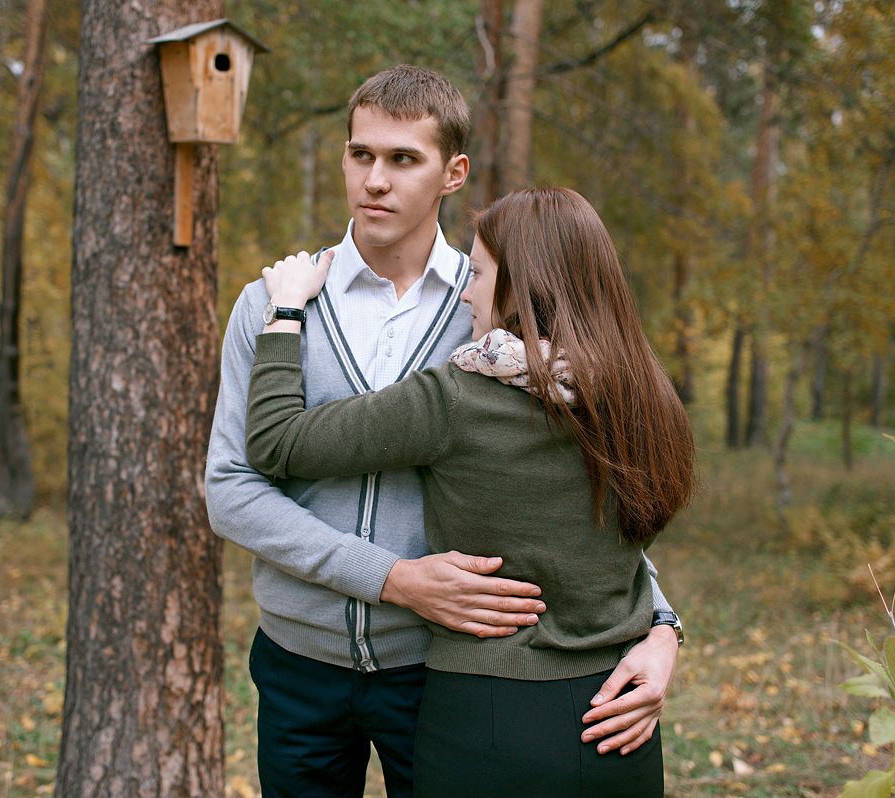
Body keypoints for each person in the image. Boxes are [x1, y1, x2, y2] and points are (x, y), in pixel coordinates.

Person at [204, 66, 684, 798]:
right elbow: (233, 488)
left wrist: (661, 624)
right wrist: (391, 578)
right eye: (361, 154)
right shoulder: (272, 305)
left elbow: (578, 489)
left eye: (403, 159)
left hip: (437, 669)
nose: (375, 180)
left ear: (453, 173)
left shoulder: (497, 312)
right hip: (299, 660)